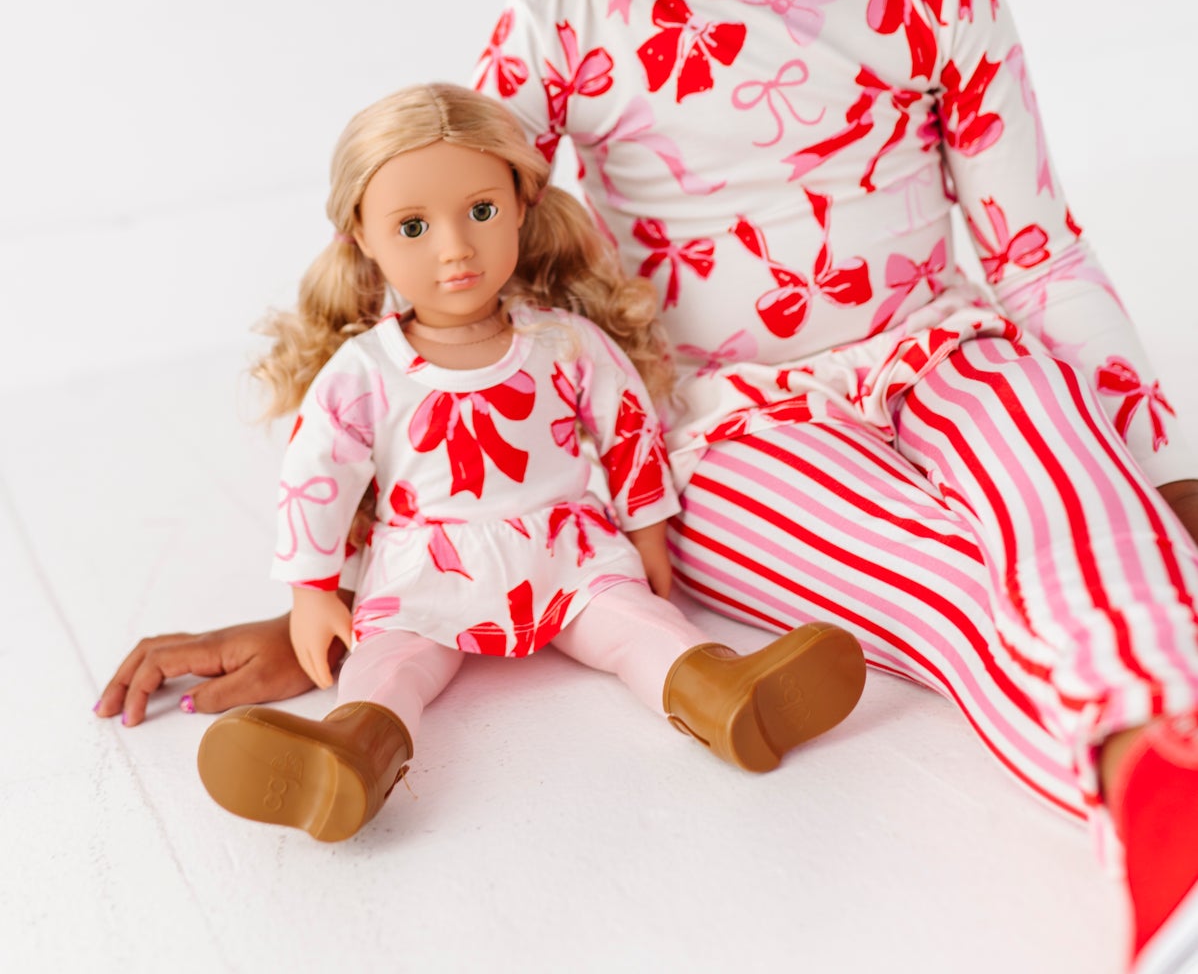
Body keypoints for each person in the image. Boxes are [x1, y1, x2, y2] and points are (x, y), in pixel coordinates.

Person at [99, 0, 1198, 969]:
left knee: (1062, 502)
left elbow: (1032, 251)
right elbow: (456, 312)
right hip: (716, 434)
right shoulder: (550, 39)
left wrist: (1136, 465)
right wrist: (336, 594)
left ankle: (1163, 721)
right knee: (938, 585)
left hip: (942, 351)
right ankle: (1141, 795)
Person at [192, 82, 866, 840]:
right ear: (362, 235)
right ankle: (353, 752)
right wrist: (312, 591)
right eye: (413, 226)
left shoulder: (563, 343)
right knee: (389, 664)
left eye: (480, 211)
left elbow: (627, 428)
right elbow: (316, 478)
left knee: (636, 626)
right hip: (425, 571)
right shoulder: (365, 371)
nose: (454, 247)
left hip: (569, 553)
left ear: (520, 203)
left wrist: (647, 531)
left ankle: (724, 694)